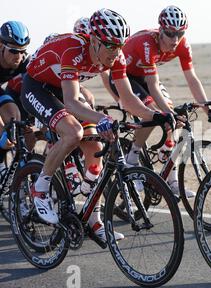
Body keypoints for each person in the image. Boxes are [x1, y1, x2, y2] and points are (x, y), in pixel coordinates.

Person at [21, 8, 174, 244]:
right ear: (94, 40)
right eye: (111, 45)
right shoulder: (73, 49)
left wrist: (156, 115)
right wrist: (101, 119)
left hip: (62, 89)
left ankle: (94, 220)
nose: (117, 51)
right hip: (37, 87)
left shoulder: (117, 56)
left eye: (120, 45)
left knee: (96, 150)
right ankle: (40, 189)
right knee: (74, 133)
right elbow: (71, 101)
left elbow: (128, 99)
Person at [105, 5, 211, 197]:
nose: (175, 39)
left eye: (180, 33)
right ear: (160, 30)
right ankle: (132, 158)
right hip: (124, 77)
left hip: (144, 77)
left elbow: (192, 79)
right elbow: (152, 86)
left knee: (172, 117)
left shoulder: (183, 45)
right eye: (170, 34)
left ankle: (172, 179)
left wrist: (206, 108)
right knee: (153, 112)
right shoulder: (146, 43)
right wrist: (167, 114)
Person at [0, 21, 32, 174]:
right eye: (13, 51)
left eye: (22, 51)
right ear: (1, 45)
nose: (18, 56)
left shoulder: (24, 60)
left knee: (14, 118)